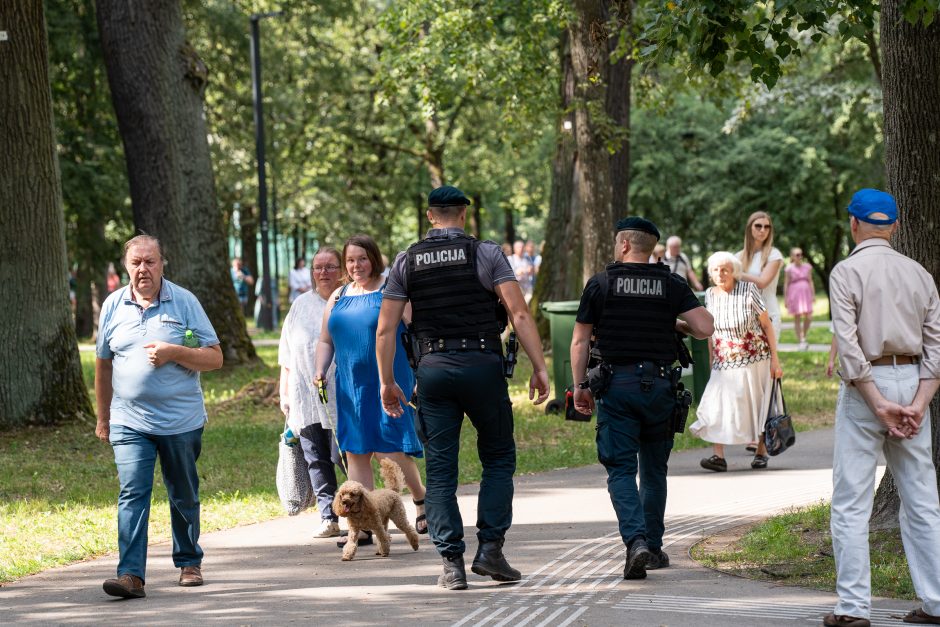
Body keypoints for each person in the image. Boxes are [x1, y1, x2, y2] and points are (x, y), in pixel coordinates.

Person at [376, 185, 551, 590]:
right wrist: (540, 368)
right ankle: (490, 550)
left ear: (430, 216)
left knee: (440, 471)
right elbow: (519, 313)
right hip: (482, 365)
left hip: (433, 370)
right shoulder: (486, 253)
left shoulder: (408, 260)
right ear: (464, 215)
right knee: (498, 459)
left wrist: (388, 382)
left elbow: (385, 328)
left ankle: (451, 563)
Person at [571, 217, 714, 581]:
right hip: (661, 389)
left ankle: (635, 541)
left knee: (620, 469)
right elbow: (704, 328)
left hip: (616, 388)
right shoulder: (670, 282)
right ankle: (652, 546)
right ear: (651, 248)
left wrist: (580, 386)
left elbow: (580, 341)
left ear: (622, 245)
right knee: (654, 470)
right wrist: (674, 323)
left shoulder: (600, 284)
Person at [824, 188, 940, 627]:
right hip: (913, 382)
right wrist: (918, 402)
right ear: (894, 225)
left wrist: (877, 402)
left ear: (853, 224)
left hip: (864, 386)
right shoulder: (919, 274)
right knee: (922, 498)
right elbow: (936, 344)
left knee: (852, 500)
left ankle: (853, 609)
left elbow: (849, 347)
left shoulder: (846, 272)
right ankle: (936, 601)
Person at [94, 235, 223, 599]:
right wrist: (103, 417)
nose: (143, 269)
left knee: (182, 491)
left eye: (150, 261)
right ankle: (130, 575)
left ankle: (188, 562)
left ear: (163, 263)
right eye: (136, 262)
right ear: (126, 266)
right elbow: (103, 366)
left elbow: (215, 357)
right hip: (129, 420)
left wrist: (174, 352)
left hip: (180, 420)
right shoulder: (112, 306)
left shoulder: (184, 301)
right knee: (133, 491)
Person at [314, 234, 428, 547]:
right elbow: (326, 340)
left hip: (389, 379)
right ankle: (362, 522)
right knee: (357, 450)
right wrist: (320, 369)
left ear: (374, 259)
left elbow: (415, 329)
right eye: (350, 260)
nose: (356, 266)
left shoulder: (391, 288)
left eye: (362, 259)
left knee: (390, 449)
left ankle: (421, 500)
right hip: (350, 385)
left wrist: (422, 369)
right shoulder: (337, 296)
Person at [688, 251, 783, 472]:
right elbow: (711, 331)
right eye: (716, 270)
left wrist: (775, 360)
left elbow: (767, 325)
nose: (720, 274)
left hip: (755, 358)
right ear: (710, 273)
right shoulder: (710, 294)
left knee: (758, 405)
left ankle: (761, 451)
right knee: (715, 404)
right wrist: (712, 357)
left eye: (725, 270)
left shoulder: (749, 290)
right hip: (724, 360)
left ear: (734, 272)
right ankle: (718, 456)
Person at [278, 247, 345, 539]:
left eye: (330, 267)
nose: (323, 273)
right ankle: (328, 515)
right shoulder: (300, 305)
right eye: (318, 267)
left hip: (340, 393)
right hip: (304, 394)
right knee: (315, 456)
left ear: (341, 270)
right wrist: (285, 394)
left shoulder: (347, 300)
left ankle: (363, 512)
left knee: (344, 455)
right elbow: (287, 354)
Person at [736, 212, 784, 339]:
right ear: (749, 228)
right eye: (758, 226)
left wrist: (736, 273)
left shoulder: (774, 254)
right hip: (743, 315)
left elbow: (763, 282)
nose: (763, 230)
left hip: (768, 314)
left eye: (767, 227)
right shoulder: (737, 257)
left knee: (768, 358)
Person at [784, 247, 815, 350]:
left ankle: (803, 335)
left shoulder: (807, 267)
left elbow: (810, 280)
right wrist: (786, 298)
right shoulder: (789, 268)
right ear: (792, 256)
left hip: (806, 293)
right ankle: (801, 340)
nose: (800, 256)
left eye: (801, 254)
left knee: (809, 316)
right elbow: (786, 283)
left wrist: (813, 294)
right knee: (797, 317)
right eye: (797, 254)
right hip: (794, 293)